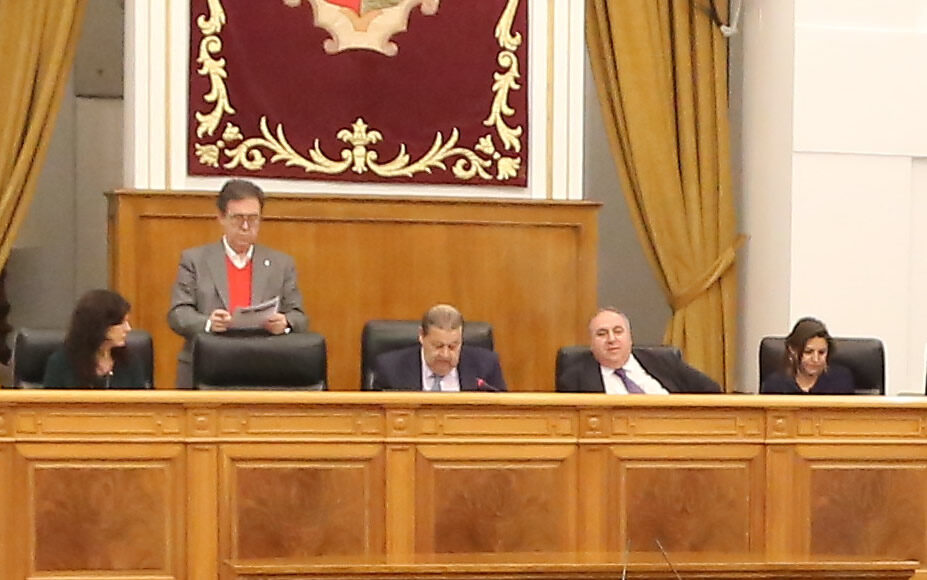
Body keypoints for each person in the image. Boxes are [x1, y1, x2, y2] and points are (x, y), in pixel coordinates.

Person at [167, 179, 308, 388]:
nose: (245, 227)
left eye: (253, 219)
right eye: (238, 218)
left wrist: (285, 323)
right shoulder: (195, 260)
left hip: (264, 367)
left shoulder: (281, 264)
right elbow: (178, 314)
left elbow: (299, 316)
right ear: (221, 217)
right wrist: (208, 323)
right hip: (208, 367)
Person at [557, 308, 721, 394]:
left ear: (630, 337)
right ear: (591, 343)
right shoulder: (574, 378)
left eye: (618, 331)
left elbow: (711, 390)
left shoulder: (665, 362)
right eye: (602, 334)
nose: (611, 339)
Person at [372, 304, 506, 391]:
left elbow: (502, 415)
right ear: (421, 336)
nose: (445, 355)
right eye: (438, 346)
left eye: (453, 346)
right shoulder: (390, 369)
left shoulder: (486, 367)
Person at [43, 289, 147, 389]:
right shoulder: (61, 364)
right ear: (100, 325)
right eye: (121, 323)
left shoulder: (129, 362)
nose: (128, 328)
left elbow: (141, 400)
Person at [761, 317, 855, 395]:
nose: (816, 359)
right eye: (808, 352)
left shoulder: (841, 380)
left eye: (821, 352)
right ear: (792, 350)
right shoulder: (775, 385)